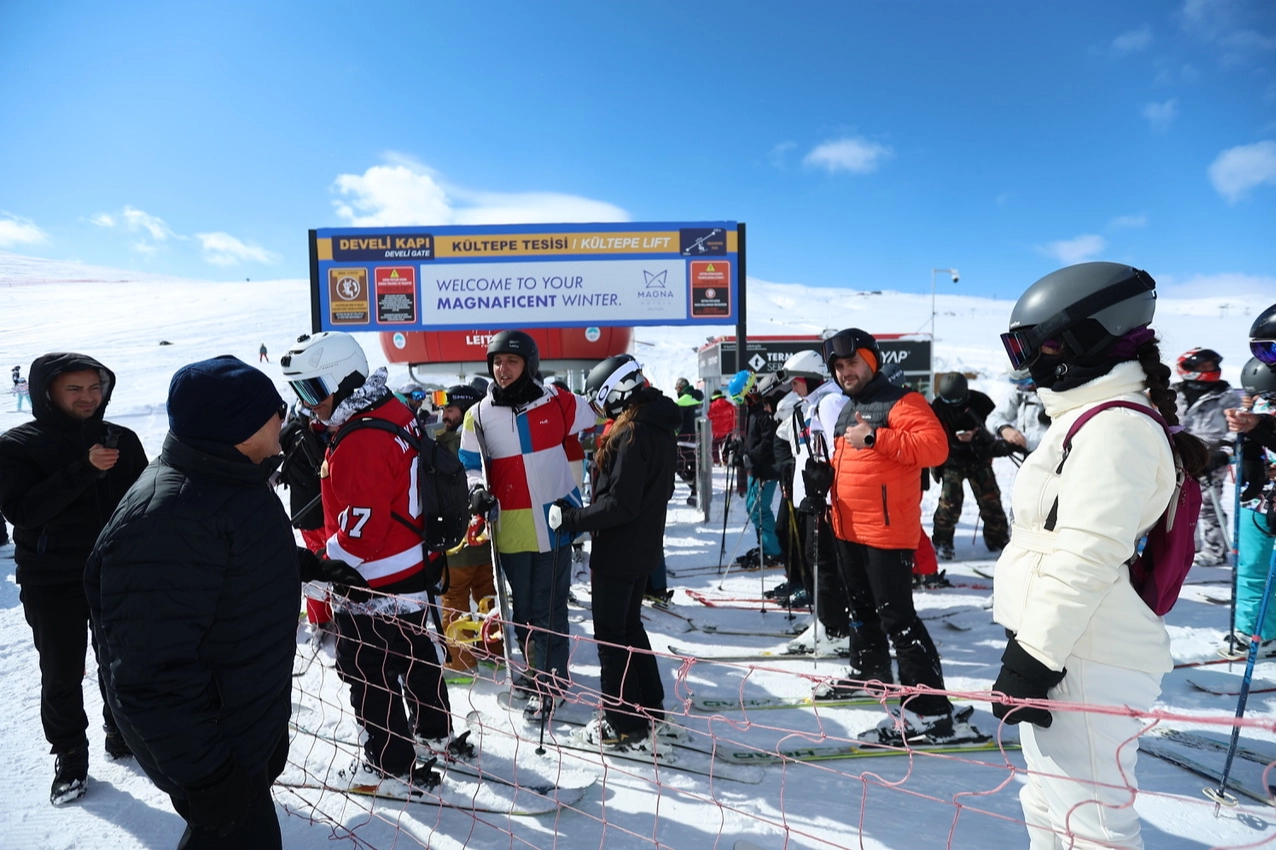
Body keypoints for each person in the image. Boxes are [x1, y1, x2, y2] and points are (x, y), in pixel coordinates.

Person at [991, 262, 1209, 849]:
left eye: (1034, 348)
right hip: (1067, 645)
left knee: (1092, 827)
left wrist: (1035, 656)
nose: (1028, 366)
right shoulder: (1085, 421)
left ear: (1083, 340)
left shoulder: (1116, 430)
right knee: (1048, 807)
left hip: (1083, 653)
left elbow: (1086, 552)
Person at [85, 356, 300, 848]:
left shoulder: (230, 477)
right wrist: (209, 779)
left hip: (240, 733)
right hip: (214, 754)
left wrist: (305, 567)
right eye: (274, 410)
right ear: (240, 425)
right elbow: (149, 674)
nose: (284, 418)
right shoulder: (169, 517)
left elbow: (230, 565)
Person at [281, 332, 455, 785]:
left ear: (341, 379)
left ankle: (389, 764)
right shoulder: (392, 408)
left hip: (373, 579)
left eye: (313, 390)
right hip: (412, 564)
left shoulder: (359, 439)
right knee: (414, 653)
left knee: (366, 669)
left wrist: (321, 561)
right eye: (299, 392)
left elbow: (361, 534)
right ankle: (433, 732)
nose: (307, 404)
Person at [813, 329, 975, 749]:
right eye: (840, 367)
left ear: (872, 361)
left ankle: (932, 711)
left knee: (897, 619)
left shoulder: (904, 401)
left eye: (853, 363)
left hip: (886, 533)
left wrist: (875, 437)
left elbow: (934, 448)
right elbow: (857, 464)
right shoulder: (853, 408)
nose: (846, 372)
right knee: (862, 611)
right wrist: (822, 482)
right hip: (848, 528)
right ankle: (871, 673)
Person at [0, 353, 148, 805]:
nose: (88, 397)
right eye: (74, 389)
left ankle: (119, 731)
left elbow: (144, 500)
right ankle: (69, 755)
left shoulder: (121, 438)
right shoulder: (18, 444)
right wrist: (84, 469)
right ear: (47, 392)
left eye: (94, 387)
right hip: (52, 579)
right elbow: (22, 511)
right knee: (62, 670)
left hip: (114, 573)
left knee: (121, 661)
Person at [458, 330, 598, 721]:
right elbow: (470, 465)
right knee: (523, 611)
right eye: (497, 363)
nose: (502, 370)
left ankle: (553, 682)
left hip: (556, 520)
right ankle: (538, 675)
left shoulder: (559, 402)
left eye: (512, 362)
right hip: (512, 527)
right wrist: (478, 492)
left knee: (550, 606)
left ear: (529, 365)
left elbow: (604, 407)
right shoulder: (479, 415)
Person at [549, 355, 682, 753]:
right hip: (641, 547)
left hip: (620, 550)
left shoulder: (632, 434)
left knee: (611, 637)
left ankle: (623, 723)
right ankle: (650, 709)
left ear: (618, 392)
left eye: (602, 400)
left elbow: (618, 506)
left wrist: (569, 518)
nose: (601, 408)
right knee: (628, 629)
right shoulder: (656, 424)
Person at [432, 384, 498, 659]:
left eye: (450, 409)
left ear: (467, 409)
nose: (444, 415)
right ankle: (495, 654)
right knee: (488, 594)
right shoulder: (490, 438)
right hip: (487, 534)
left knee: (455, 596)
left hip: (459, 538)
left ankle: (461, 662)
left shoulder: (446, 445)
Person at [1222, 332, 1276, 659]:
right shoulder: (1255, 404)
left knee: (1259, 572)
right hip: (1258, 500)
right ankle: (1255, 632)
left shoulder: (1261, 412)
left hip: (1265, 500)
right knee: (1252, 569)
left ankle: (1260, 632)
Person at [929, 371, 1011, 560]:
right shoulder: (938, 407)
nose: (951, 405)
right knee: (949, 503)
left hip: (978, 458)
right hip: (952, 460)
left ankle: (998, 539)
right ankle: (942, 542)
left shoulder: (981, 402)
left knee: (991, 501)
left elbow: (995, 432)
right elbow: (933, 435)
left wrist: (975, 436)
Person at [1174, 347, 1244, 566]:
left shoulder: (1226, 396)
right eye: (1203, 367)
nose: (1210, 370)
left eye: (1212, 366)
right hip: (1178, 453)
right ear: (1188, 369)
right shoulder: (1173, 392)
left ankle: (1215, 550)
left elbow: (1236, 428)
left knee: (1207, 504)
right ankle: (1186, 546)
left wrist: (1222, 453)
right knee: (1176, 502)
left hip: (1212, 456)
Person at [277, 401, 335, 637]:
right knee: (324, 564)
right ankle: (321, 618)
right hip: (319, 513)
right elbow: (324, 470)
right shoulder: (305, 439)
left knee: (320, 561)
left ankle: (321, 615)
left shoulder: (287, 437)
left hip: (306, 512)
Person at [989, 369, 1049, 453]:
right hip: (1027, 458)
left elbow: (1060, 436)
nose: (1025, 388)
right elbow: (993, 417)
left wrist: (1025, 441)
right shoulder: (1020, 393)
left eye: (1028, 384)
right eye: (1020, 384)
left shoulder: (1057, 396)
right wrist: (1004, 429)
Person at [673, 377, 704, 505]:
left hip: (684, 442)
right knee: (696, 468)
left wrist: (673, 435)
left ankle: (696, 489)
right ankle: (697, 492)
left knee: (678, 466)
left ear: (680, 388)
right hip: (700, 440)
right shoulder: (699, 399)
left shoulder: (682, 402)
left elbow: (677, 423)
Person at [708, 389, 736, 464]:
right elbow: (735, 418)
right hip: (728, 431)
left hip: (716, 432)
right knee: (726, 447)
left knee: (714, 447)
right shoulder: (730, 405)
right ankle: (726, 460)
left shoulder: (712, 406)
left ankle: (716, 462)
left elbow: (709, 417)